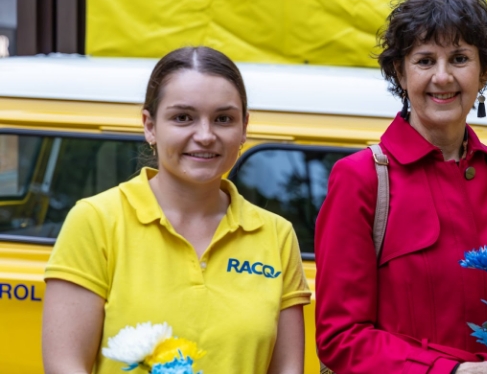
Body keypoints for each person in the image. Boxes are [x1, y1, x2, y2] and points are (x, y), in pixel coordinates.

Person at [314, 0, 487, 374]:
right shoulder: (361, 178)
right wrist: (449, 372)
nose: (442, 77)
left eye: (460, 58)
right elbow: (341, 337)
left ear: (483, 72)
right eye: (425, 60)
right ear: (400, 71)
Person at [42, 46, 311, 374]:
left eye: (223, 119)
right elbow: (65, 365)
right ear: (150, 126)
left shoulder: (276, 235)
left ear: (244, 128)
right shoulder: (95, 221)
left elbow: (287, 369)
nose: (205, 135)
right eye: (183, 117)